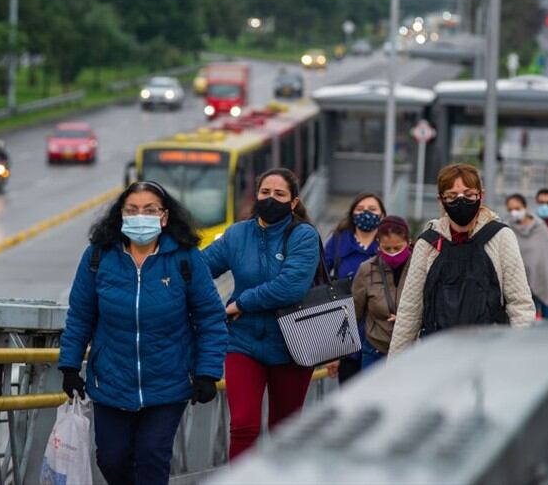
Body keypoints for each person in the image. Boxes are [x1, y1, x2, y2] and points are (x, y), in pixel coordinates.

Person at [57, 181, 228, 485]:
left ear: (164, 217)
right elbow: (81, 315)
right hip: (111, 381)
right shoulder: (98, 257)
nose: (140, 217)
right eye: (132, 210)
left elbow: (211, 318)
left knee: (152, 456)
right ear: (121, 216)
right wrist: (69, 366)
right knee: (111, 459)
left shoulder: (185, 259)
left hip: (168, 382)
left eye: (149, 210)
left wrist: (207, 372)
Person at [202, 168, 320, 460]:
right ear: (256, 195)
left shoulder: (304, 235)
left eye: (279, 194)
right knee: (243, 424)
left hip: (292, 345)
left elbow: (290, 287)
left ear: (293, 202)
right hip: (243, 342)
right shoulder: (237, 234)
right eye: (265, 192)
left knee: (285, 431)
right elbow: (199, 269)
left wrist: (242, 303)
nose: (271, 199)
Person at [389, 163, 535, 355]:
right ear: (441, 200)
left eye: (468, 194)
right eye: (451, 196)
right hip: (436, 355)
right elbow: (410, 311)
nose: (461, 201)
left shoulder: (500, 237)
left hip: (488, 354)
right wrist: (396, 365)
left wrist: (522, 358)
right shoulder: (428, 243)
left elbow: (520, 304)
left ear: (480, 196)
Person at [322, 192, 386, 382]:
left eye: (372, 209)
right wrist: (332, 351)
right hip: (344, 331)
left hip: (380, 335)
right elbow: (321, 276)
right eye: (360, 209)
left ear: (382, 215)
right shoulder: (338, 241)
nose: (366, 213)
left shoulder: (389, 243)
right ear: (351, 213)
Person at [351, 216, 412, 370]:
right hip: (375, 351)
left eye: (397, 248)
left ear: (408, 242)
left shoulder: (420, 267)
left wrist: (408, 320)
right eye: (387, 248)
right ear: (378, 245)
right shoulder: (367, 269)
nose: (392, 253)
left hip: (411, 351)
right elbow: (354, 314)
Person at [505, 194, 548, 319]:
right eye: (510, 209)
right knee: (527, 320)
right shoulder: (507, 229)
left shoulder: (540, 227)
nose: (514, 212)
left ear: (525, 207)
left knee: (547, 322)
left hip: (545, 281)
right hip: (522, 286)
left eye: (517, 208)